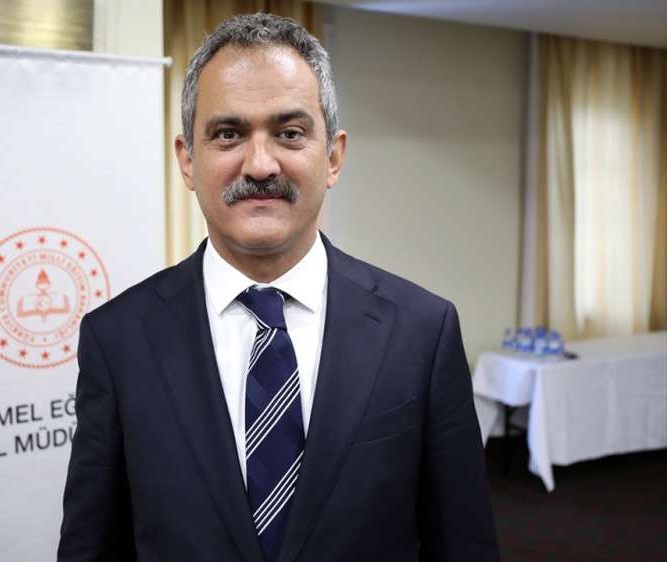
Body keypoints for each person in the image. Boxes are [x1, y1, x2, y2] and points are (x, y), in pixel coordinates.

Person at [58, 13, 500, 562]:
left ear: (333, 156)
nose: (261, 165)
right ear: (188, 160)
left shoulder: (422, 331)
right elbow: (93, 547)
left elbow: (462, 543)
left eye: (290, 133)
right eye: (228, 134)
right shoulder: (118, 340)